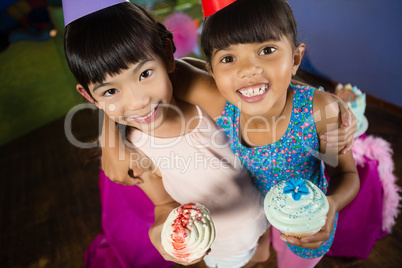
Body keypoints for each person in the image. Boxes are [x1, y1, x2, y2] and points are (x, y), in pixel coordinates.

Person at [64, 1, 270, 267]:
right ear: (88, 96)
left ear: (168, 55)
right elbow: (164, 204)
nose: (138, 102)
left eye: (145, 74)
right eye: (110, 91)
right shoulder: (136, 150)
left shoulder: (206, 105)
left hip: (263, 210)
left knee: (263, 251)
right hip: (221, 245)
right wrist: (160, 231)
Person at [196, 0, 360, 267]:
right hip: (250, 212)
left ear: (295, 59)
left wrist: (331, 205)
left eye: (267, 50)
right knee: (255, 254)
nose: (248, 70)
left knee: (294, 261)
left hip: (303, 221)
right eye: (228, 58)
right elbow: (167, 72)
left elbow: (345, 173)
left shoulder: (318, 112)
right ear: (211, 73)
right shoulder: (218, 103)